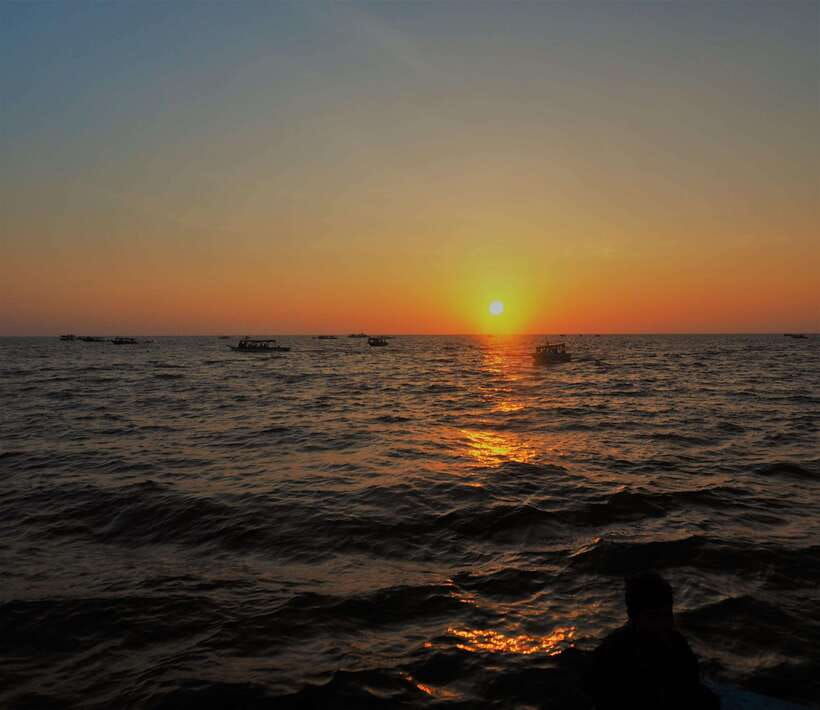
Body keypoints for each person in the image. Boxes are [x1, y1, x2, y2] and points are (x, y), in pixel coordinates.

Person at [585, 571, 720, 709]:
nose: (664, 623)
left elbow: (690, 686)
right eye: (654, 617)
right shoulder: (612, 653)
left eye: (667, 615)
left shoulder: (675, 643)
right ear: (633, 616)